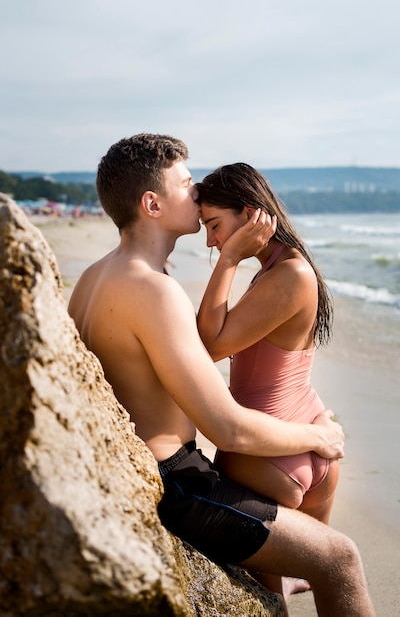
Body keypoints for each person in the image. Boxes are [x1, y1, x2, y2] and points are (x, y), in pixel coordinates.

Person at [68, 133, 375, 617]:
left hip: (152, 469)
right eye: (187, 183)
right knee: (340, 559)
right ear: (152, 203)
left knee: (284, 581)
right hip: (178, 484)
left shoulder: (93, 277)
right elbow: (226, 427)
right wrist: (318, 436)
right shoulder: (152, 290)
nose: (197, 192)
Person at [195, 163, 338, 526]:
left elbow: (208, 348)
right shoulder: (279, 268)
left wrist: (227, 260)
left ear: (249, 214)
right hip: (297, 436)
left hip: (268, 451)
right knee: (305, 577)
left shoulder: (290, 274)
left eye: (214, 225)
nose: (211, 241)